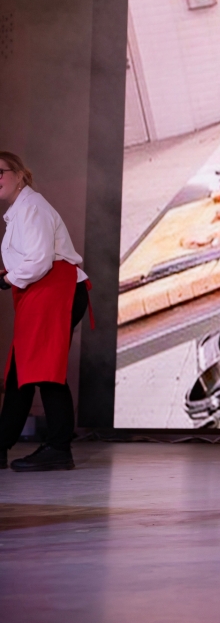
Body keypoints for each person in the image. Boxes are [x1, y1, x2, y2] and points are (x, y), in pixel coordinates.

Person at [0, 151, 90, 472]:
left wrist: (7, 278)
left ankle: (59, 447)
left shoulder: (32, 206)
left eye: (0, 172)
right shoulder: (19, 211)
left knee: (45, 370)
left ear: (19, 175)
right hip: (44, 291)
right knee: (21, 371)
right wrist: (10, 275)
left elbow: (38, 260)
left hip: (55, 290)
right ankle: (2, 443)